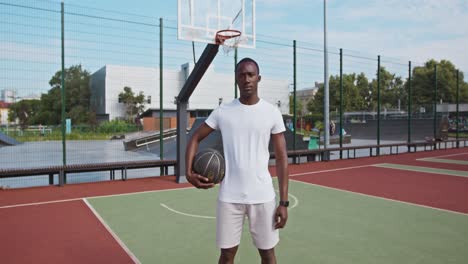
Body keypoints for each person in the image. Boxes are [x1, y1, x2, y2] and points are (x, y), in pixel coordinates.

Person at [185, 58, 289, 264]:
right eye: (242, 75)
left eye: (251, 75)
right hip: (229, 196)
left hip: (262, 196)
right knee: (226, 255)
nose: (246, 79)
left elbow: (282, 158)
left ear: (259, 78)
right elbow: (195, 137)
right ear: (236, 79)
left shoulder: (271, 112)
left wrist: (283, 202)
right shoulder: (223, 111)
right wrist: (188, 173)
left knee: (268, 254)